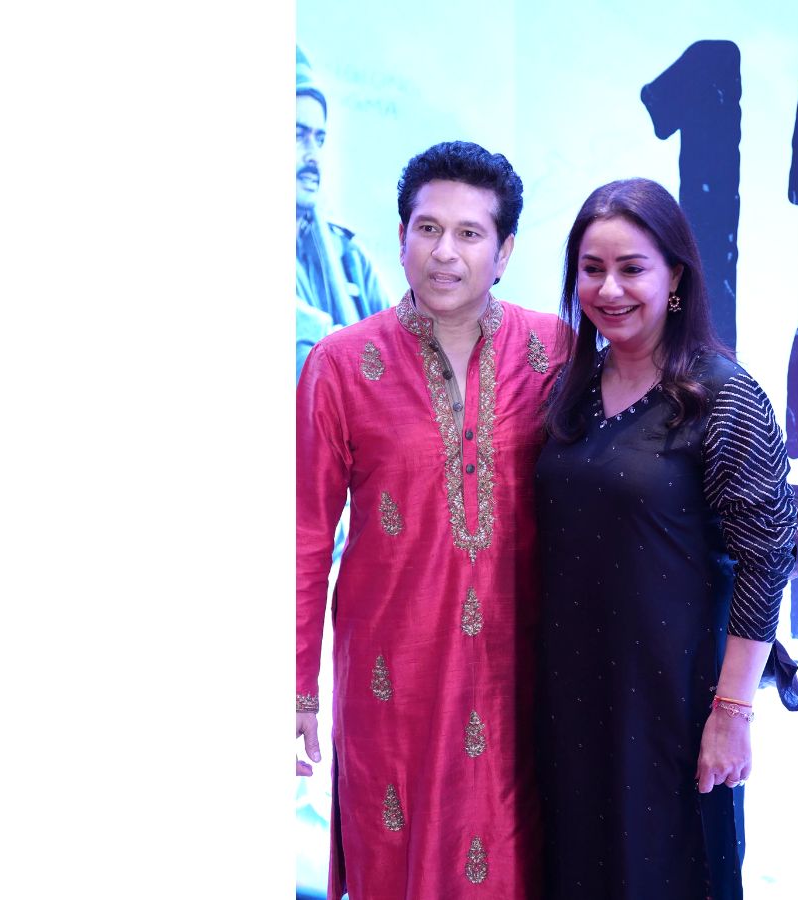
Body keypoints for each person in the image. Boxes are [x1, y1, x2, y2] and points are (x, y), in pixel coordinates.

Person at [296, 141, 565, 900]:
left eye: (470, 233)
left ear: (504, 252)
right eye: (427, 228)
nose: (445, 252)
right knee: (396, 854)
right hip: (392, 683)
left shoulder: (555, 351)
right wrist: (299, 687)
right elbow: (305, 538)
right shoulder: (340, 364)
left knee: (513, 859)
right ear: (401, 235)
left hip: (519, 676)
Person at [534, 178, 798, 899]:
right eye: (591, 269)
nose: (609, 289)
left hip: (673, 709)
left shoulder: (723, 395)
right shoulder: (570, 389)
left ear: (676, 276)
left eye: (632, 269)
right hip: (569, 697)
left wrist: (732, 715)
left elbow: (767, 558)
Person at [296, 45, 391, 381]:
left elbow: (404, 353)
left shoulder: (348, 255)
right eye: (297, 136)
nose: (313, 156)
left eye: (319, 139)